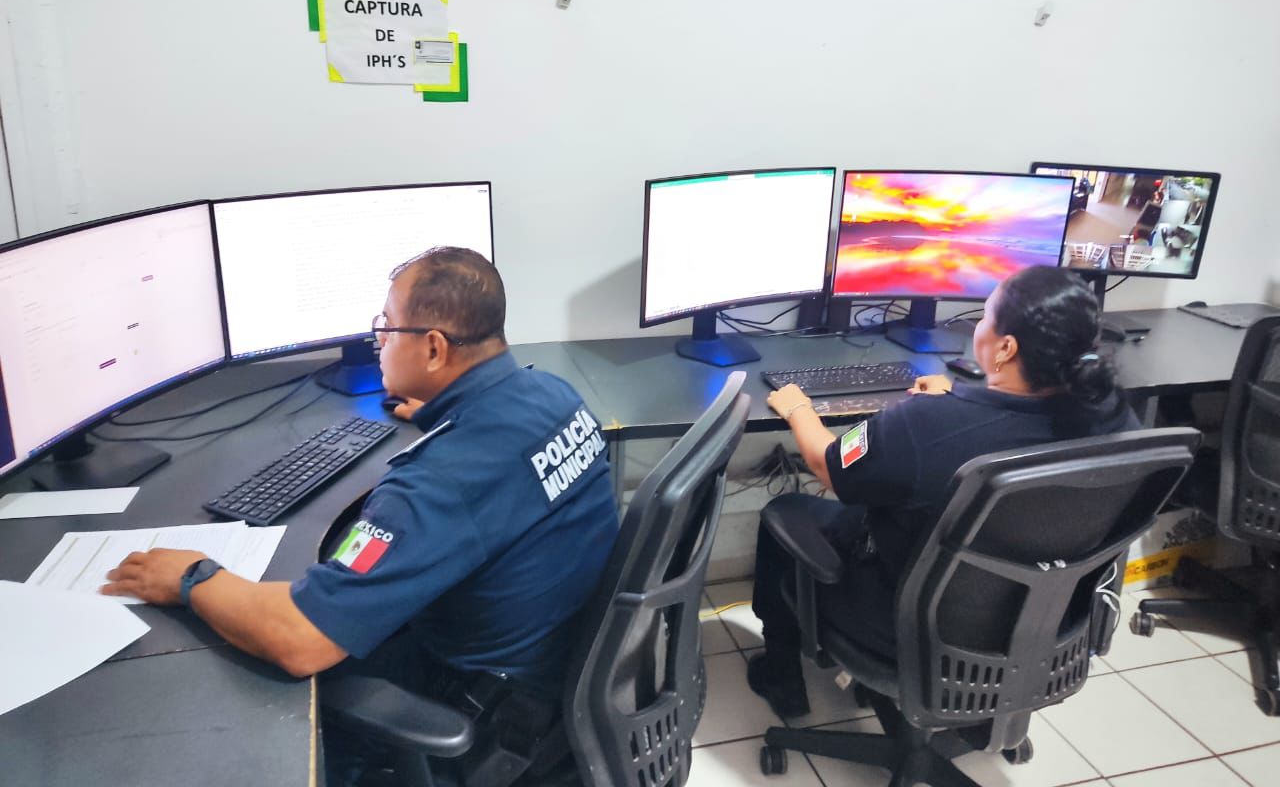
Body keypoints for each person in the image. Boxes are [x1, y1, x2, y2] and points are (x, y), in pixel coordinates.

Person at [102, 246, 619, 781]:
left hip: (489, 722)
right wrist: (442, 413)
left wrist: (192, 577)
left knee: (273, 684)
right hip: (562, 685)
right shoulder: (552, 394)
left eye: (387, 327)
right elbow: (495, 462)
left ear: (434, 348)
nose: (379, 341)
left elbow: (301, 639)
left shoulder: (434, 483)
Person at [747, 265, 1140, 719]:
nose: (977, 327)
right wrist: (961, 397)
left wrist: (797, 407)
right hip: (1044, 629)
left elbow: (828, 466)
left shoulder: (923, 425)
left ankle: (782, 676)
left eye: (984, 316)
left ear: (1006, 348)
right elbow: (1013, 424)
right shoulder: (1115, 417)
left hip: (908, 632)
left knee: (785, 514)